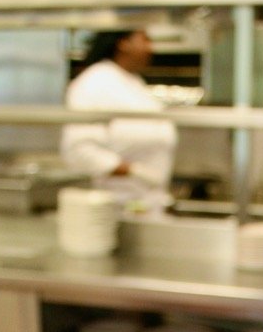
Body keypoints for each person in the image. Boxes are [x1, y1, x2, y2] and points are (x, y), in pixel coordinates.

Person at [61, 29, 178, 214]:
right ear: (123, 43)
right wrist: (134, 171)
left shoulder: (133, 81)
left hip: (146, 206)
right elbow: (80, 151)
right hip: (115, 209)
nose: (151, 48)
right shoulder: (94, 83)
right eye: (145, 39)